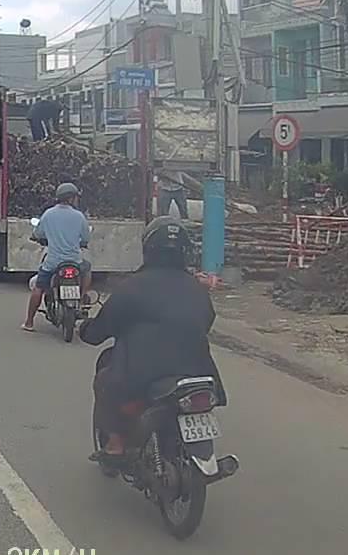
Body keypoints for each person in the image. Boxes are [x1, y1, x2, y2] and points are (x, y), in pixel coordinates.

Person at [79, 216, 225, 459]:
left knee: (105, 379)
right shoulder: (196, 288)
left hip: (143, 374)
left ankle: (115, 443)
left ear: (148, 249)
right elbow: (206, 320)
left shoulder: (132, 286)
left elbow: (101, 328)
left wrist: (86, 329)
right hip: (197, 371)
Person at [22, 182, 92, 332]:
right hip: (75, 261)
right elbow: (86, 237)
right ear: (71, 198)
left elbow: (38, 233)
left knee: (39, 288)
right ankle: (83, 298)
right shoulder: (79, 216)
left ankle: (29, 322)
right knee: (87, 269)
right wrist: (82, 243)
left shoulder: (48, 214)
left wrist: (37, 237)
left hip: (53, 262)